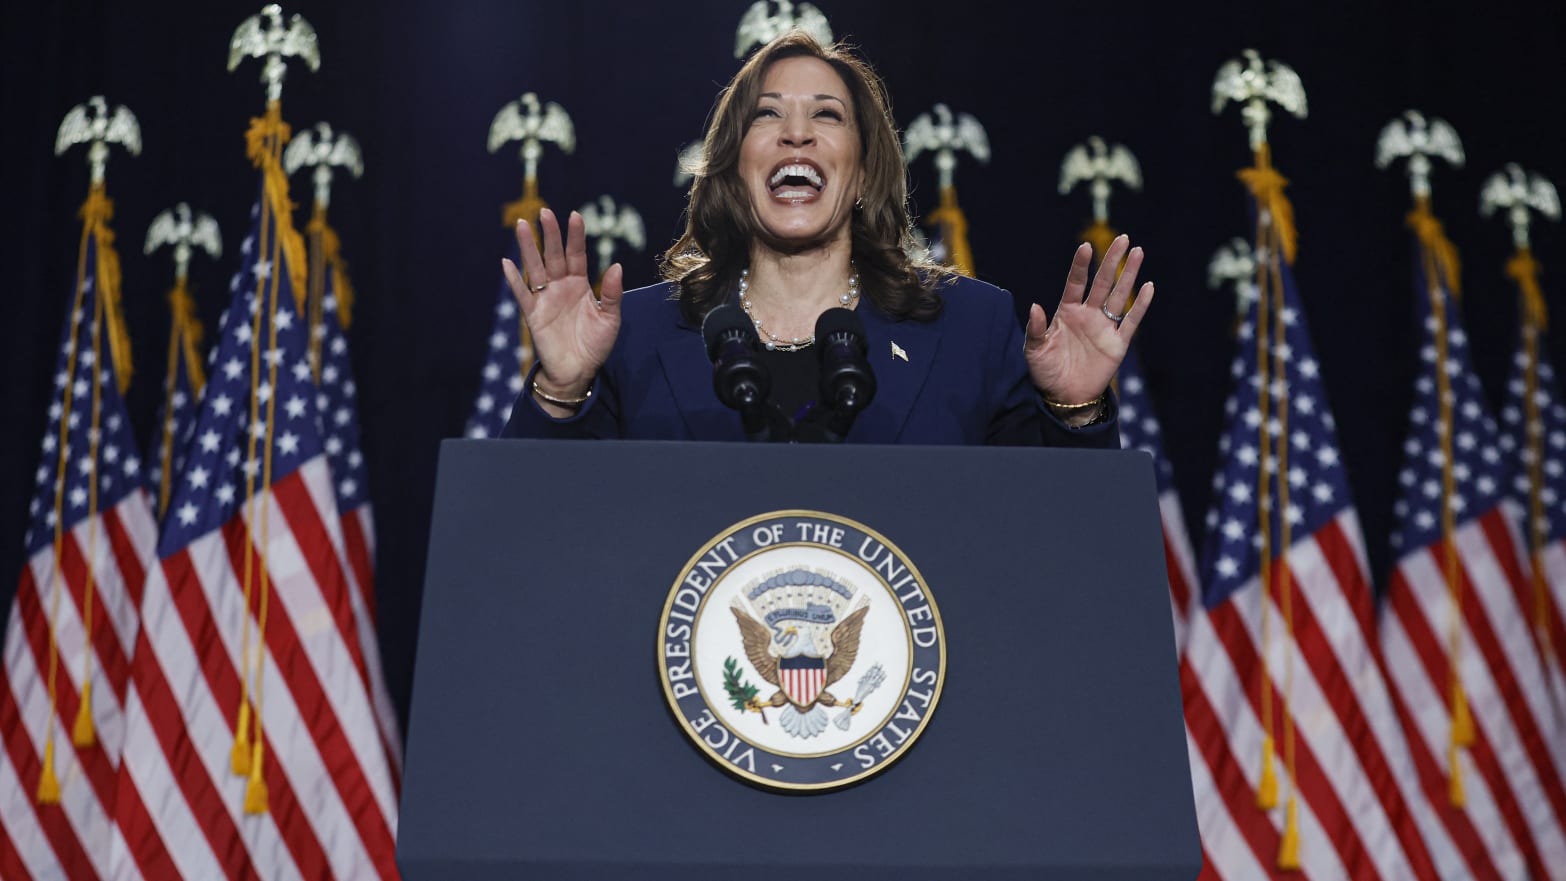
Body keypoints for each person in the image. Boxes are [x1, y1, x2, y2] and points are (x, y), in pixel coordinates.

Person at [500, 31, 1153, 446]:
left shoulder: (971, 330)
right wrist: (560, 389)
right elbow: (538, 541)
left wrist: (1075, 411)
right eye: (769, 116)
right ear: (734, 166)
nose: (797, 135)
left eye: (827, 116)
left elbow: (1050, 547)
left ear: (865, 171)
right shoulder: (635, 334)